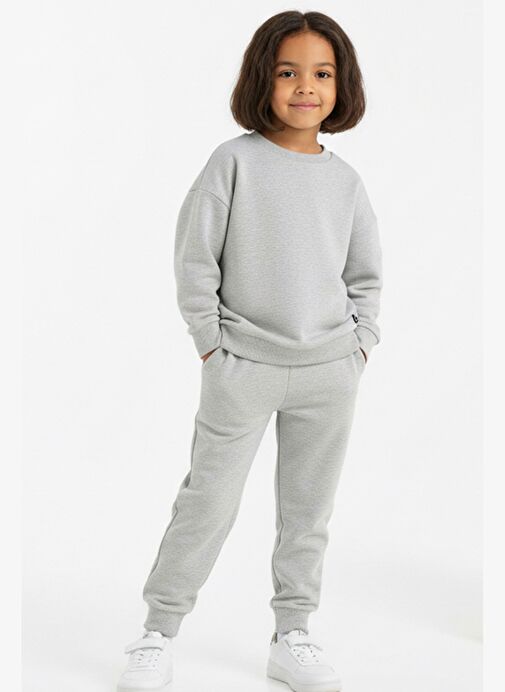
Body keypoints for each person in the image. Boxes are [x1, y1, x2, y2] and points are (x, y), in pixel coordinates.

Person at [117, 9, 382, 692]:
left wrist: (360, 346)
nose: (305, 87)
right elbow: (194, 260)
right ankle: (158, 631)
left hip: (328, 371)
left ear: (342, 85)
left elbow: (364, 274)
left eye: (322, 73)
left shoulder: (345, 181)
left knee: (308, 513)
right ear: (261, 79)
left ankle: (293, 632)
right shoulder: (232, 162)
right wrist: (211, 344)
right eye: (288, 72)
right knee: (207, 501)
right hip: (242, 367)